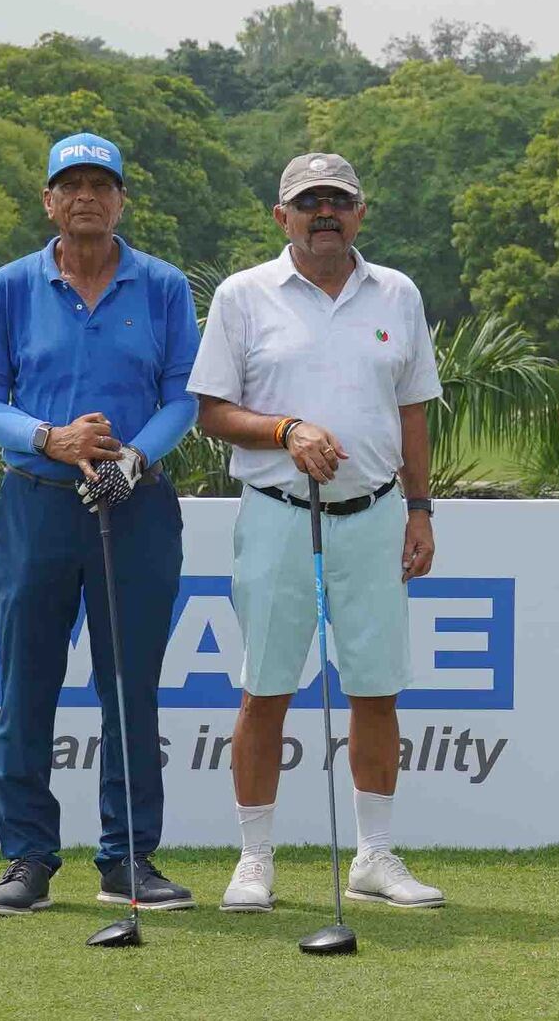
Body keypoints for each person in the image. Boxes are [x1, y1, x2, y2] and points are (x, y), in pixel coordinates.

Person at [187, 151, 444, 913]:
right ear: (282, 218)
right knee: (265, 689)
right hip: (276, 516)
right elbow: (211, 412)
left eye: (338, 201)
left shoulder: (395, 293)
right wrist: (286, 428)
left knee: (375, 689)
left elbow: (413, 411)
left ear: (360, 213)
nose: (324, 213)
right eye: (309, 203)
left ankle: (373, 856)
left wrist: (422, 507)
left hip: (374, 515)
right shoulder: (243, 295)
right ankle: (254, 859)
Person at [0, 132, 201, 916]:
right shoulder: (9, 286)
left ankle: (127, 856)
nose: (87, 196)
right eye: (72, 184)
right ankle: (27, 857)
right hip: (35, 502)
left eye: (102, 183)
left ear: (122, 199)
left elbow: (183, 398)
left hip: (136, 505)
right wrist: (50, 438)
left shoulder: (162, 287)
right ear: (49, 201)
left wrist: (133, 456)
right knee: (26, 684)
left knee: (128, 685)